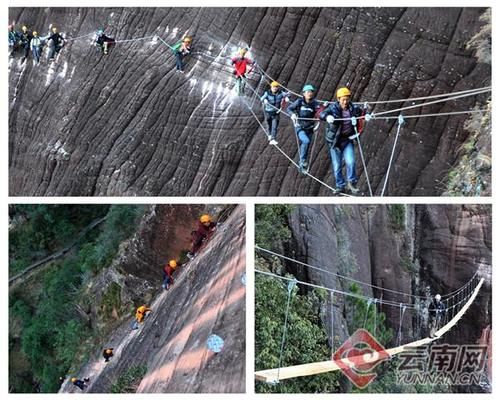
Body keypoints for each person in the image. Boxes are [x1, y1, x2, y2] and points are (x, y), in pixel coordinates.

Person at [319, 87, 364, 194]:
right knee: (337, 165)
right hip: (335, 141)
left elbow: (361, 112)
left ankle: (351, 183)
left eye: (347, 99)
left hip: (347, 139)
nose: (345, 101)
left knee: (351, 161)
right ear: (338, 99)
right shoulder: (333, 108)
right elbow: (321, 114)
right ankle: (340, 186)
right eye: (343, 99)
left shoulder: (353, 108)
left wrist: (366, 114)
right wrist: (327, 117)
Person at [287, 84, 322, 173]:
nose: (310, 93)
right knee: (306, 141)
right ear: (304, 93)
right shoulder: (299, 102)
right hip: (300, 127)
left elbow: (319, 111)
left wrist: (322, 115)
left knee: (306, 146)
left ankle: (302, 164)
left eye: (311, 92)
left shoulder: (315, 103)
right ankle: (302, 161)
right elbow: (289, 108)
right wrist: (293, 114)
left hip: (310, 128)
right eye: (308, 92)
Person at [260, 81, 290, 145]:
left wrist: (287, 97)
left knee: (275, 126)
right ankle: (269, 134)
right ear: (271, 87)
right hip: (268, 112)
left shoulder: (281, 93)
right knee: (268, 124)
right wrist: (264, 100)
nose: (275, 88)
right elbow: (261, 98)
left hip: (276, 112)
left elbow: (287, 94)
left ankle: (273, 139)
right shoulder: (267, 93)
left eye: (276, 87)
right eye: (273, 87)